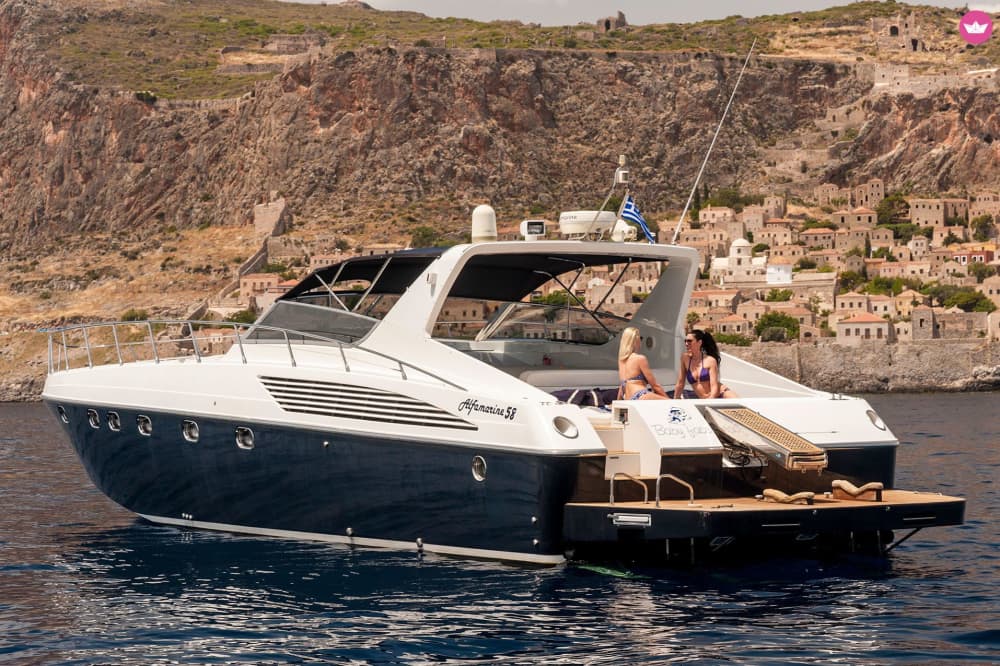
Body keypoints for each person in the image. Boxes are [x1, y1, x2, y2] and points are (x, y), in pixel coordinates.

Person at [674, 329, 738, 399]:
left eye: (689, 341)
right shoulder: (685, 358)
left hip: (721, 394)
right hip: (705, 399)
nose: (686, 343)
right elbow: (680, 382)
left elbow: (714, 385)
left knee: (739, 404)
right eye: (685, 341)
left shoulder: (710, 360)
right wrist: (675, 399)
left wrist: (710, 400)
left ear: (699, 342)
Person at [617, 326, 669, 400]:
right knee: (672, 404)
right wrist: (670, 401)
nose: (641, 341)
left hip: (628, 398)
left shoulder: (621, 360)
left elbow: (622, 386)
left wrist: (617, 402)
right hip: (640, 395)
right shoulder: (640, 359)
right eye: (640, 338)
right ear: (635, 340)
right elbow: (655, 386)